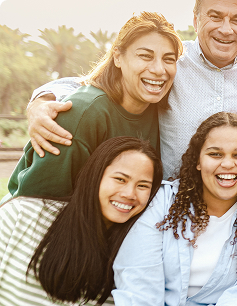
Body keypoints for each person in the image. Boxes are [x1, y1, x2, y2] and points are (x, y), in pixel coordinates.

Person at [26, 0, 237, 178]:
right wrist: (40, 101)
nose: (225, 28)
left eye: (236, 20)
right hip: (166, 209)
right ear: (196, 19)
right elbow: (97, 81)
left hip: (236, 211)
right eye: (215, 16)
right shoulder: (170, 60)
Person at [110, 112, 237, 306]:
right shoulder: (163, 203)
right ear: (198, 162)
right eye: (215, 154)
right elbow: (138, 283)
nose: (228, 164)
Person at [7, 12, 180, 198]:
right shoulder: (83, 113)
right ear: (118, 57)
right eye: (145, 56)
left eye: (169, 59)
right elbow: (38, 201)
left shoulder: (163, 108)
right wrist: (38, 101)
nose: (159, 69)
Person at [0, 136, 162, 306]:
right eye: (120, 179)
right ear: (95, 176)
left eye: (143, 185)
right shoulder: (22, 214)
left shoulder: (123, 262)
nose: (129, 194)